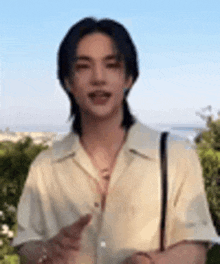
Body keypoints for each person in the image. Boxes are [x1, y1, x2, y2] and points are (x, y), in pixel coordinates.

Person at [12, 17, 219, 264]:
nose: (98, 78)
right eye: (83, 67)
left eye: (111, 65)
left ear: (128, 78)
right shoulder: (45, 167)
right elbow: (26, 244)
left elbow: (195, 249)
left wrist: (148, 262)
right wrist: (48, 251)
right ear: (68, 82)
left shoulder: (175, 155)